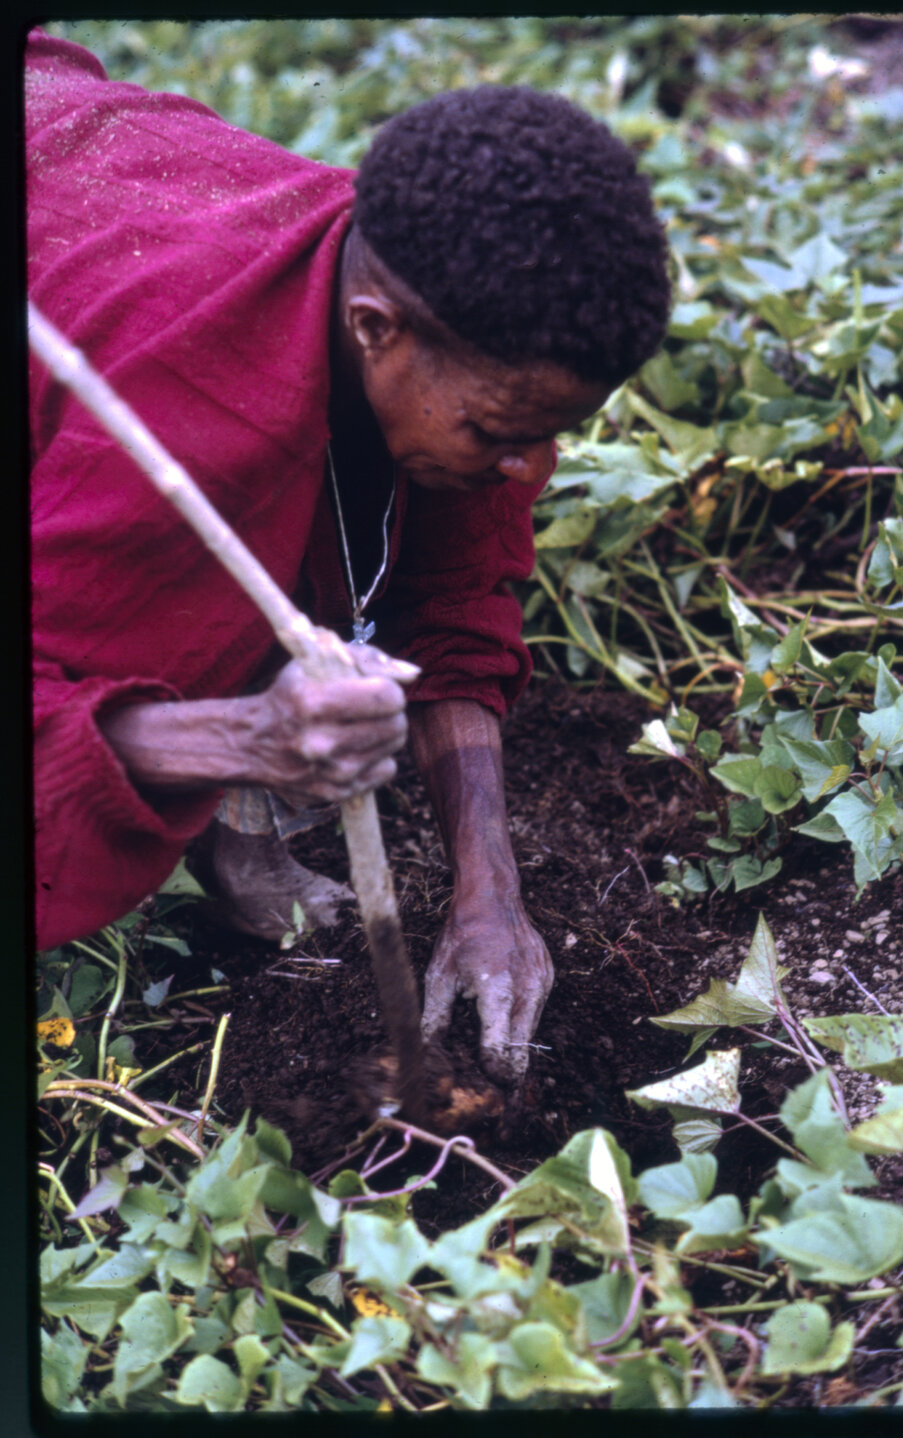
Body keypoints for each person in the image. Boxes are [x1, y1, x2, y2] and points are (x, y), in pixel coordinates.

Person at [28, 27, 671, 1084]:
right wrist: (244, 737)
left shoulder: (423, 280)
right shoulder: (169, 431)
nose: (530, 470)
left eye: (554, 432)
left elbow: (451, 591)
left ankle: (232, 834)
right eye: (501, 431)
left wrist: (488, 891)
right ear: (376, 330)